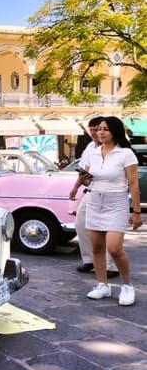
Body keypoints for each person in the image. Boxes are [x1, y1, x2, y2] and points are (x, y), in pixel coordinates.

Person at [84, 116, 141, 306]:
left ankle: (127, 285)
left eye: (105, 129)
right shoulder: (93, 153)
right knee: (96, 247)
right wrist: (81, 182)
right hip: (94, 200)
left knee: (114, 248)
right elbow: (87, 177)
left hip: (116, 202)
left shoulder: (126, 154)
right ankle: (102, 285)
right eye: (99, 129)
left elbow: (133, 185)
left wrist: (137, 212)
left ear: (115, 131)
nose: (100, 132)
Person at [69, 116, 118, 277]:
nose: (94, 132)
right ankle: (89, 260)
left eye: (97, 129)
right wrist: (75, 188)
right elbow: (83, 170)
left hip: (109, 193)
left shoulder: (116, 148)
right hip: (90, 191)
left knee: (108, 230)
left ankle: (112, 266)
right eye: (90, 129)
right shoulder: (90, 147)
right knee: (81, 224)